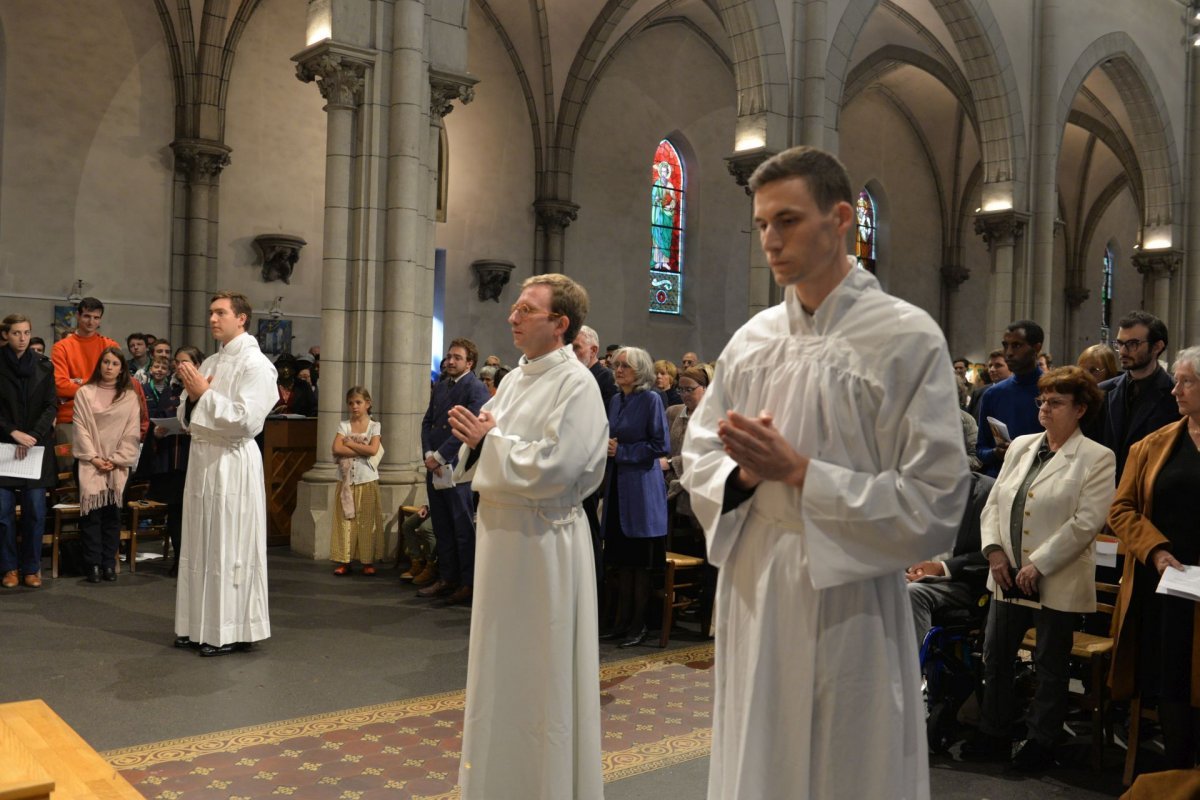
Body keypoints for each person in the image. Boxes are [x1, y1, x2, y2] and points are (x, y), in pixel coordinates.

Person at [680, 146, 968, 799]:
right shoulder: (752, 341)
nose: (770, 240)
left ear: (842, 220)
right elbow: (700, 454)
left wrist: (806, 474)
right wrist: (744, 479)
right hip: (756, 583)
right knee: (760, 761)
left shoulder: (906, 337)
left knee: (846, 765)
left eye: (787, 220)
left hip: (850, 592)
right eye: (760, 225)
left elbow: (936, 497)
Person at [447, 273, 608, 800]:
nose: (511, 317)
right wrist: (479, 441)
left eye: (525, 310)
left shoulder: (577, 383)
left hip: (544, 543)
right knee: (500, 671)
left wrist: (490, 441)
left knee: (542, 675)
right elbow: (495, 443)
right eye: (514, 308)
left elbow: (562, 469)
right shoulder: (516, 378)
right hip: (503, 539)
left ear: (560, 324)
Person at [965, 366, 1114, 770]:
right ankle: (994, 732)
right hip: (1006, 573)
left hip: (1055, 577)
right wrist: (995, 551)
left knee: (1050, 665)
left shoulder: (1097, 458)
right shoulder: (1022, 446)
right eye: (1042, 401)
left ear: (1080, 409)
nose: (1045, 408)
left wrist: (1040, 564)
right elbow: (994, 502)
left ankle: (1040, 741)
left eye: (1055, 402)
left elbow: (1086, 522)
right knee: (995, 656)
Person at [1108, 345, 1200, 771]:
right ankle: (1179, 774)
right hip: (1170, 583)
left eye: (1187, 381)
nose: (1175, 390)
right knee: (1173, 678)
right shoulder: (1153, 446)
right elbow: (1121, 509)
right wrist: (1156, 550)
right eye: (1177, 380)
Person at [173, 291, 278, 657]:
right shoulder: (212, 360)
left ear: (242, 318)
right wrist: (193, 397)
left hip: (233, 462)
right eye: (211, 313)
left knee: (228, 545)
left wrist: (204, 394)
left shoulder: (257, 365)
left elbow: (247, 421)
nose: (213, 319)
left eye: (221, 313)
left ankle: (229, 630)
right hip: (203, 460)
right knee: (200, 543)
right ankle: (194, 625)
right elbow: (187, 416)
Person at [600, 346, 669, 649]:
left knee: (638, 565)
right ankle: (621, 622)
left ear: (640, 371)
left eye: (625, 366)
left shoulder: (651, 399)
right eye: (616, 365)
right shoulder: (616, 399)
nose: (618, 370)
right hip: (617, 486)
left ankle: (638, 625)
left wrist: (622, 451)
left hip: (641, 489)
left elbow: (659, 445)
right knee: (621, 561)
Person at [418, 338, 490, 606]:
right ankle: (446, 577)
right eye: (448, 357)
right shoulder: (441, 386)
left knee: (462, 529)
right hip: (435, 467)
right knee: (442, 526)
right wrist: (427, 454)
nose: (449, 361)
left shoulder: (476, 389)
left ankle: (467, 583)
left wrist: (438, 456)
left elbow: (466, 431)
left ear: (469, 362)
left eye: (456, 358)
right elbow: (428, 421)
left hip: (458, 469)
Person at [73, 347, 142, 583]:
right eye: (105, 362)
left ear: (122, 368)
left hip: (117, 464)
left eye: (114, 363)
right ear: (99, 365)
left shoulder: (129, 397)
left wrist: (115, 459)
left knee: (113, 516)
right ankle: (92, 564)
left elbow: (132, 431)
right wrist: (93, 457)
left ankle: (108, 564)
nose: (109, 367)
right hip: (89, 461)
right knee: (91, 515)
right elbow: (80, 427)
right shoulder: (85, 392)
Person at [906, 472, 994, 649]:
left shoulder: (987, 490)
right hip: (919, 577)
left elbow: (995, 550)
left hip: (965, 583)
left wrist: (941, 568)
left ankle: (915, 672)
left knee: (912, 593)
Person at [0, 314, 57, 589]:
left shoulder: (44, 366)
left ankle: (32, 568)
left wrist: (33, 435)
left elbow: (51, 405)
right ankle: (9, 568)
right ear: (6, 336)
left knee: (35, 510)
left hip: (35, 447)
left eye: (26, 333)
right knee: (3, 512)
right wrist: (12, 431)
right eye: (16, 333)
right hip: (5, 445)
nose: (22, 338)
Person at [1099, 311, 1180, 481]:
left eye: (1133, 344)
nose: (1122, 351)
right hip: (1104, 487)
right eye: (1120, 343)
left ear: (1157, 347)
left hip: (1149, 489)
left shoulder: (1175, 395)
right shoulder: (1102, 391)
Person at [976, 321, 1045, 477]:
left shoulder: (1053, 390)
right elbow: (981, 450)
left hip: (1039, 479)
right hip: (1000, 479)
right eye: (1005, 345)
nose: (1008, 353)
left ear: (1036, 348)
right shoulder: (993, 394)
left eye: (1017, 345)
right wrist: (996, 453)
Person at [330, 386, 384, 576]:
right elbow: (336, 448)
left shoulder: (374, 426)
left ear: (367, 404)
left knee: (366, 521)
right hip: (346, 481)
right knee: (346, 520)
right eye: (351, 403)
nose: (354, 406)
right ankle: (344, 559)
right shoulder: (344, 425)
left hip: (366, 479)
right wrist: (362, 447)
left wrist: (351, 444)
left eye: (359, 402)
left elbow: (373, 450)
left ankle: (367, 561)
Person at [662, 365, 708, 518]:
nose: (684, 394)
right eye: (680, 390)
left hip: (698, 484)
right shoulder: (672, 412)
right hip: (668, 480)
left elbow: (706, 455)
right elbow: (662, 444)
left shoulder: (712, 417)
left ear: (705, 388)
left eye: (689, 390)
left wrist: (669, 462)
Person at [572, 325, 619, 408]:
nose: (570, 353)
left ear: (593, 350)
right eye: (568, 348)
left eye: (576, 348)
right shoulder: (572, 376)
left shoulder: (607, 378)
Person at [399, 504, 437, 585]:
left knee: (425, 528)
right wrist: (425, 507)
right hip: (433, 508)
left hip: (447, 509)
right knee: (407, 525)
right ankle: (417, 562)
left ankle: (431, 567)